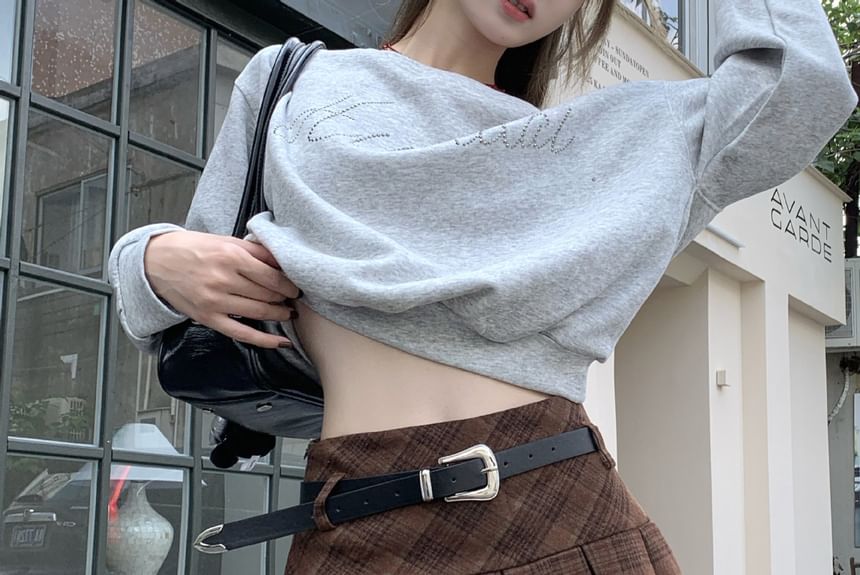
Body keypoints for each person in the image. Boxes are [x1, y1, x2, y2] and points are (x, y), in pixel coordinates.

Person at [107, 0, 857, 573]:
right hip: (361, 520)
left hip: (562, 512)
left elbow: (801, 83)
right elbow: (200, 289)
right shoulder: (293, 79)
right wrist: (149, 259)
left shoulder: (610, 142)